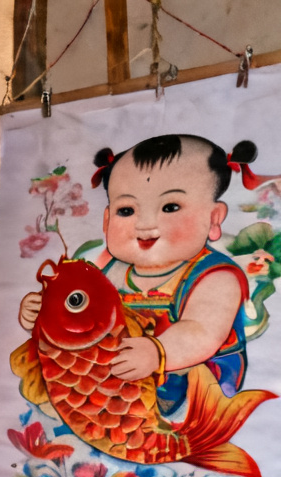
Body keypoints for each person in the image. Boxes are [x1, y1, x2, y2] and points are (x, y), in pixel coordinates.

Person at [19, 134, 260, 415]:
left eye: (170, 207)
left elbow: (202, 332)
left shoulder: (217, 276)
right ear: (107, 220)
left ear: (214, 218)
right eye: (127, 210)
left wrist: (158, 353)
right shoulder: (114, 270)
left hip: (193, 378)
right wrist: (42, 312)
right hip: (122, 372)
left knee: (175, 388)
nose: (145, 224)